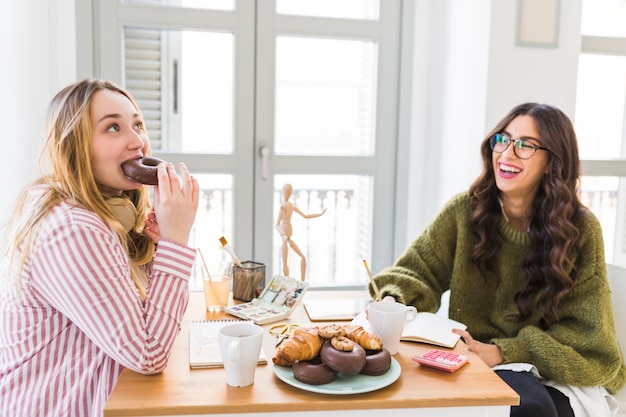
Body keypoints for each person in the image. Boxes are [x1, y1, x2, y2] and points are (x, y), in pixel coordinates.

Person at [370, 103, 625, 417]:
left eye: (525, 146)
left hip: (553, 369)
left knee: (532, 407)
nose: (506, 153)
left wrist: (506, 351)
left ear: (552, 162)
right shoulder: (465, 211)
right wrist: (394, 301)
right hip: (472, 357)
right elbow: (415, 271)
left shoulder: (581, 229)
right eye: (502, 140)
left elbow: (588, 335)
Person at [0, 79, 200, 417]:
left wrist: (157, 251)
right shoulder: (74, 230)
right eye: (113, 128)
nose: (137, 141)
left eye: (137, 124)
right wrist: (176, 241)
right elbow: (149, 353)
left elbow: (133, 319)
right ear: (75, 147)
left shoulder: (101, 211)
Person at [275, 183, 326, 281]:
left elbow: (305, 216)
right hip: (285, 235)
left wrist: (320, 214)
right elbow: (277, 224)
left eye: (288, 192)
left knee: (302, 257)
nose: (287, 194)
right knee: (285, 262)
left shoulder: (290, 205)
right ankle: (287, 282)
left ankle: (302, 282)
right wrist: (282, 235)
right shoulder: (284, 206)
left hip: (288, 234)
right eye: (286, 192)